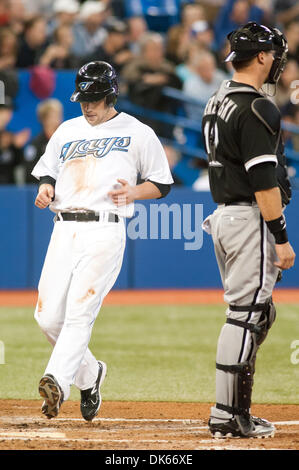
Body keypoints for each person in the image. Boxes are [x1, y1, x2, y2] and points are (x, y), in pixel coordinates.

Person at [31, 61, 173, 420]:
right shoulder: (66, 129)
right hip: (63, 228)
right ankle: (90, 374)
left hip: (104, 229)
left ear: (111, 95)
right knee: (47, 318)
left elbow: (162, 183)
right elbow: (48, 170)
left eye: (94, 99)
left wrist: (136, 192)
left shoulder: (137, 132)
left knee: (79, 313)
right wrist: (46, 186)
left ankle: (57, 382)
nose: (87, 106)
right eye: (83, 99)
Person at [201, 22, 295, 438]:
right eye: (274, 54)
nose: (277, 61)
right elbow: (263, 181)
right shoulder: (258, 106)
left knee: (258, 313)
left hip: (225, 216)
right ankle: (228, 413)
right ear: (261, 57)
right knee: (246, 315)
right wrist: (282, 237)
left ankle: (233, 407)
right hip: (247, 218)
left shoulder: (217, 98)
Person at [24, 98, 63, 183]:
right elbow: (30, 171)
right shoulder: (35, 144)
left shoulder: (64, 140)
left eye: (59, 115)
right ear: (43, 118)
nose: (58, 118)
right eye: (53, 115)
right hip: (41, 187)